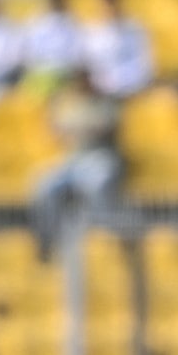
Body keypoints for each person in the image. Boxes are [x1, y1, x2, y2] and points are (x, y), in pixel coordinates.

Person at [29, 65, 123, 258]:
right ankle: (47, 241)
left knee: (96, 183)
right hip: (73, 160)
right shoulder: (67, 103)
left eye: (83, 79)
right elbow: (56, 131)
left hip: (99, 156)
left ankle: (101, 238)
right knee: (43, 184)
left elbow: (105, 129)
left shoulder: (104, 101)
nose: (81, 83)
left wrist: (76, 129)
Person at [80, 0, 153, 101]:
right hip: (97, 93)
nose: (108, 6)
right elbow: (86, 64)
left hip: (129, 91)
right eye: (105, 2)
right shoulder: (90, 31)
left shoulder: (134, 29)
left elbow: (145, 66)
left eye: (112, 1)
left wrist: (118, 83)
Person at [21, 0, 85, 97]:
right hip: (40, 75)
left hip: (66, 75)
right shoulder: (35, 21)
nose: (54, 0)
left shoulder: (72, 21)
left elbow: (77, 54)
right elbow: (28, 53)